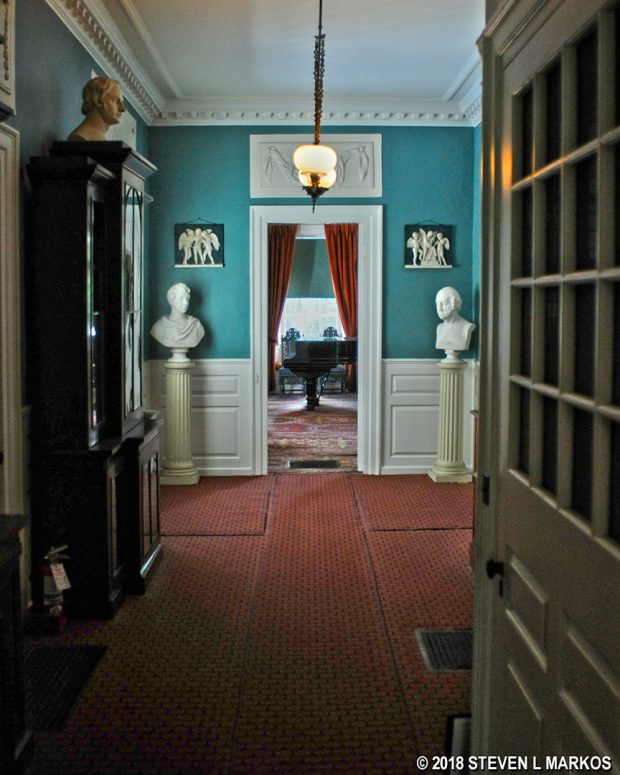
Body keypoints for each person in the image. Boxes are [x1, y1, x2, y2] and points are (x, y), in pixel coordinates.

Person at [67, 77, 126, 142]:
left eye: (121, 103)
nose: (122, 109)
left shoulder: (99, 138)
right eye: (116, 101)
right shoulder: (81, 137)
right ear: (97, 100)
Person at [150, 283, 205, 350]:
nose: (185, 302)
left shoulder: (196, 325)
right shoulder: (158, 327)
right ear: (171, 300)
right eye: (181, 298)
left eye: (187, 298)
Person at [435, 286, 475, 352]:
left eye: (444, 304)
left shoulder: (467, 327)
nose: (439, 308)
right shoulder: (439, 328)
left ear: (455, 304)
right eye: (437, 304)